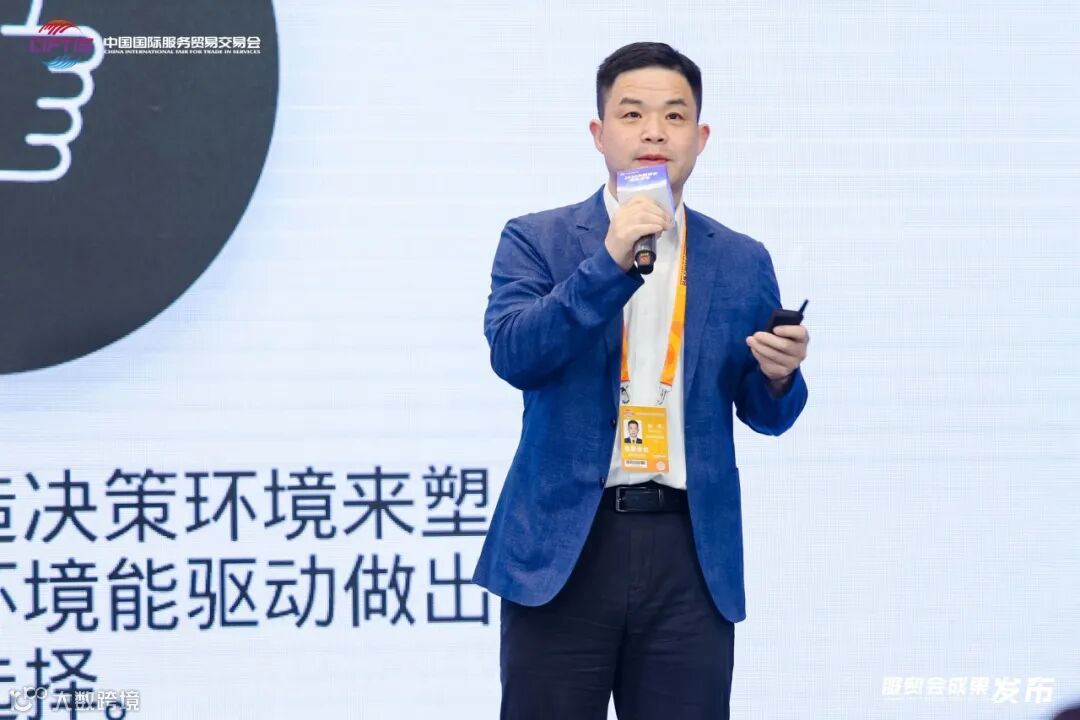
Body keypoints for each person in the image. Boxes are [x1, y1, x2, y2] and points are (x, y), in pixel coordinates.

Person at [473, 41, 810, 720]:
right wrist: (608, 263)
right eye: (632, 114)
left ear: (701, 138)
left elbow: (765, 413)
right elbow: (515, 354)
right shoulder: (538, 240)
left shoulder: (740, 259)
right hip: (564, 549)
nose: (654, 132)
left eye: (674, 116)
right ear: (599, 134)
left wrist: (780, 377)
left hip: (690, 553)